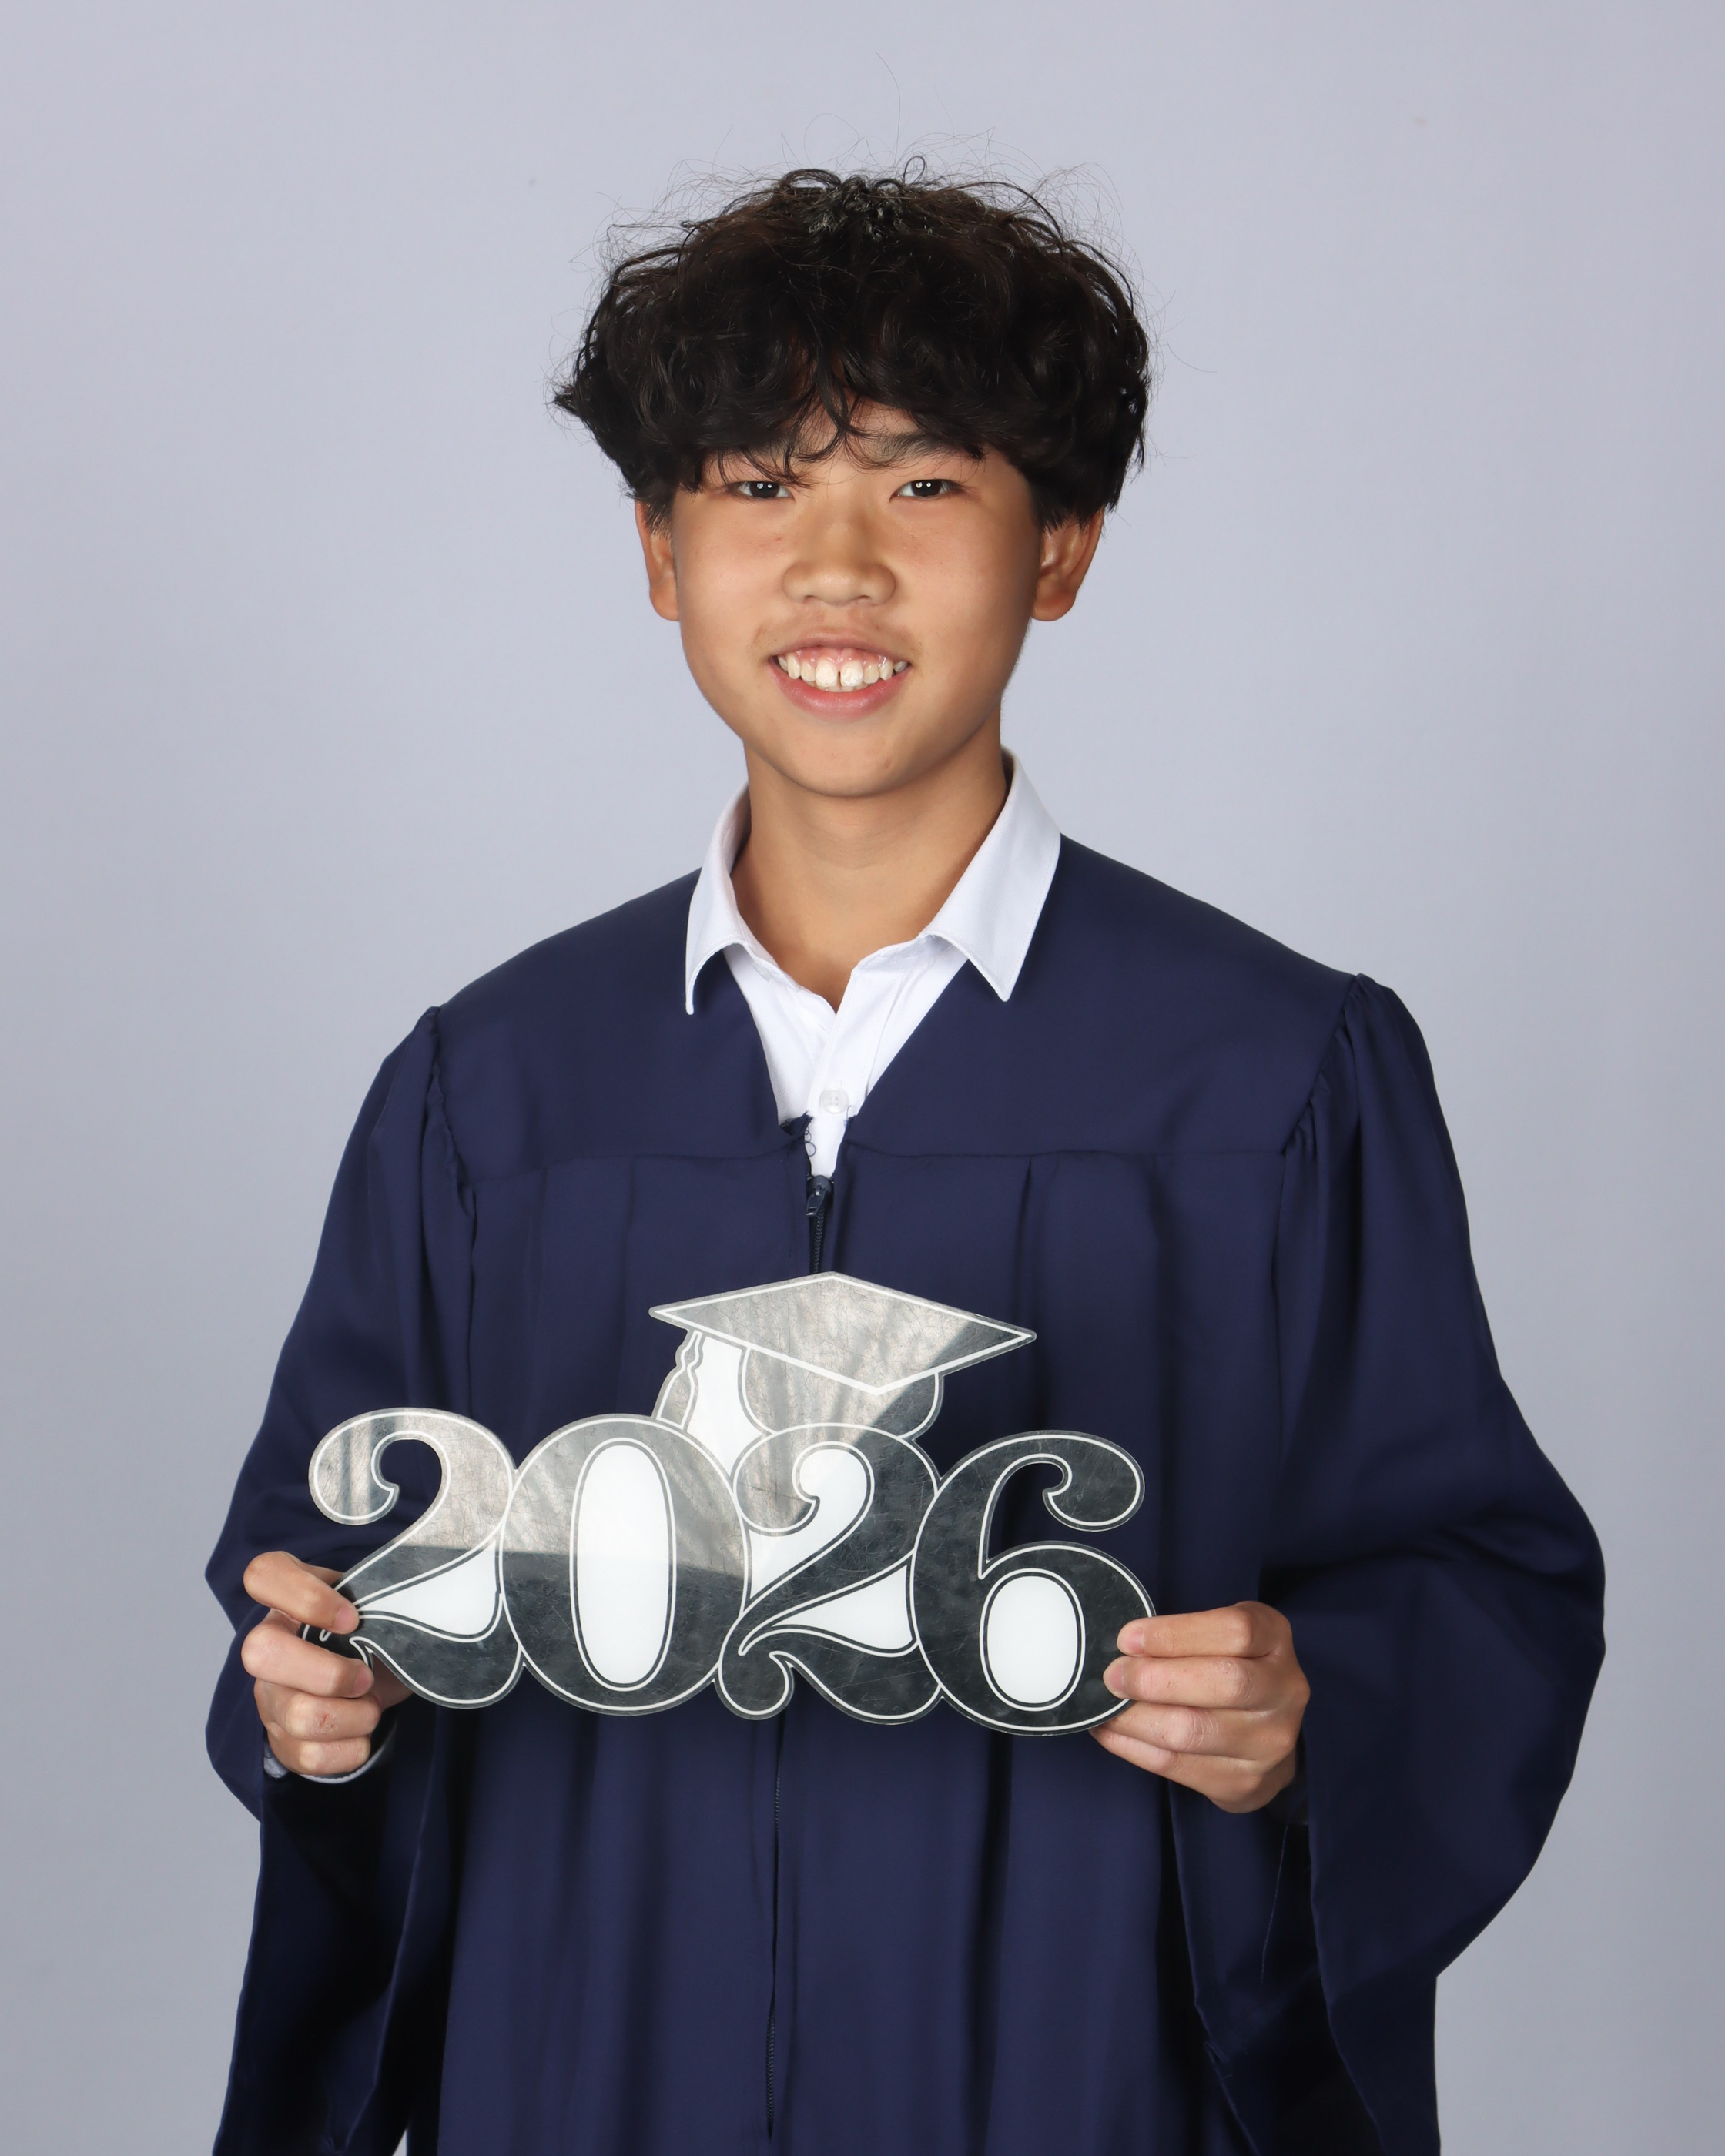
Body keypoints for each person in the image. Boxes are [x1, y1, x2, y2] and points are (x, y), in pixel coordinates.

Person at [205, 168, 1604, 2156]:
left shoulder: (1276, 1075)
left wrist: (1317, 1713)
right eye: (758, 485)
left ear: (1064, 547)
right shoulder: (490, 1095)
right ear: (658, 549)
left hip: (1080, 2082)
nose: (837, 567)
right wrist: (313, 1698)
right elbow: (316, 1570)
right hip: (590, 2065)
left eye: (927, 482)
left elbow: (1478, 1582)